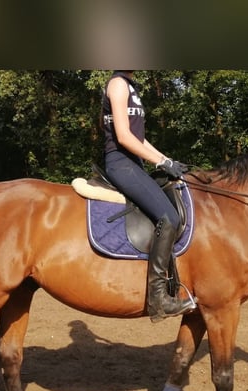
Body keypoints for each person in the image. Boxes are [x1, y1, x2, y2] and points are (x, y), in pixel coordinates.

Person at [101, 70, 196, 322]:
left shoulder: (132, 87)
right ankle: (159, 298)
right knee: (170, 218)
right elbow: (123, 136)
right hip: (120, 163)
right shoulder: (118, 84)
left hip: (134, 164)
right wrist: (161, 163)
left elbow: (139, 139)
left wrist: (167, 160)